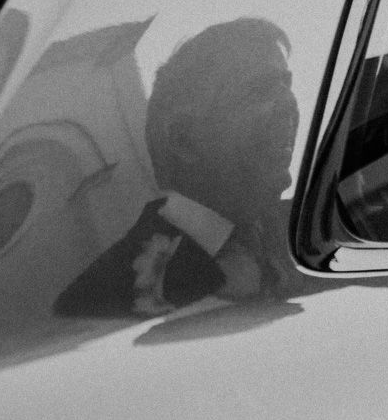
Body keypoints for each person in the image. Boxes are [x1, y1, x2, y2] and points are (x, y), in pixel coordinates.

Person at [56, 17, 301, 320]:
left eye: (286, 84)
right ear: (183, 140)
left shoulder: (320, 231)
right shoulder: (101, 300)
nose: (289, 102)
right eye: (257, 90)